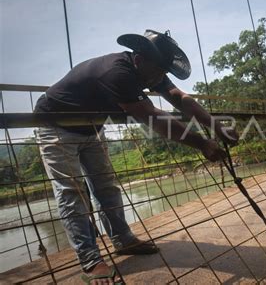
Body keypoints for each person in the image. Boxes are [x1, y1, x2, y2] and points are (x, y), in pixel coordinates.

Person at [34, 29, 238, 284]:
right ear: (140, 59)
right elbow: (152, 117)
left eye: (164, 72)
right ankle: (90, 261)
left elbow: (179, 97)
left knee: (106, 185)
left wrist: (216, 125)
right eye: (158, 72)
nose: (160, 79)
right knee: (72, 191)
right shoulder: (118, 73)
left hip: (91, 127)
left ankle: (123, 239)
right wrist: (202, 143)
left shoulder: (151, 69)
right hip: (56, 126)